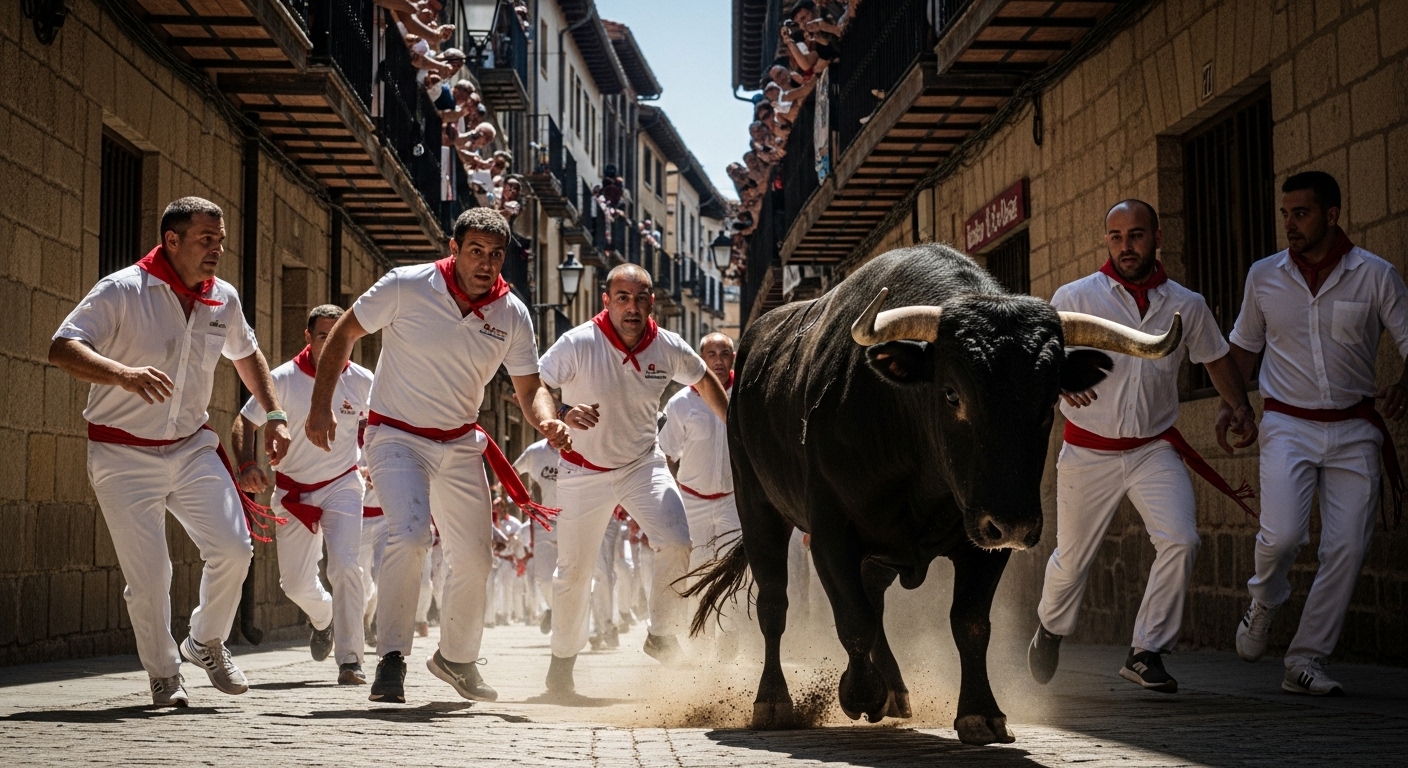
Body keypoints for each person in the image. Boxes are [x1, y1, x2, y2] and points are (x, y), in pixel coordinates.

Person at [306, 207, 568, 704]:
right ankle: (391, 658)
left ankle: (456, 659)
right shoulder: (405, 285)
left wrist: (548, 421)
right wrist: (320, 408)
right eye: (475, 251)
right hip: (396, 436)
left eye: (495, 255)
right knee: (410, 536)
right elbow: (343, 333)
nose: (485, 263)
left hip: (460, 442)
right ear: (454, 248)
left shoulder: (512, 314)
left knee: (475, 557)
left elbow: (530, 387)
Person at [49, 197, 291, 707]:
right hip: (121, 453)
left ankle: (205, 641)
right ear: (172, 240)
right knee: (151, 576)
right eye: (206, 239)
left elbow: (247, 355)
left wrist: (274, 415)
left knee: (234, 548)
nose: (216, 249)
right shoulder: (122, 290)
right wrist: (122, 374)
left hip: (190, 447)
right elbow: (63, 346)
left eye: (220, 240)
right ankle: (164, 674)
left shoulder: (223, 297)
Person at [1028, 199, 1258, 694]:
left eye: (1135, 235)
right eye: (1115, 237)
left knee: (1182, 539)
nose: (1125, 246)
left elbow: (1216, 359)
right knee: (1072, 559)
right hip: (1087, 451)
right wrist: (1061, 382)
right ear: (1106, 241)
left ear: (1157, 237)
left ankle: (1146, 651)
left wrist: (1239, 406)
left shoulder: (1187, 304)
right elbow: (1042, 358)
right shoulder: (1074, 297)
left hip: (1153, 448)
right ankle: (1050, 627)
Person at [1221, 171, 1408, 696]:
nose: (1290, 224)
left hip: (1356, 429)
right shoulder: (1264, 276)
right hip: (1288, 424)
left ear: (1331, 215)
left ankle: (1306, 660)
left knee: (1347, 547)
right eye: (1285, 214)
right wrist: (1232, 405)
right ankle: (1264, 600)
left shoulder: (1375, 275)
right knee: (1282, 536)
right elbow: (1243, 348)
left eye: (1300, 213)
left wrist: (1403, 386)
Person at [534, 263, 730, 694]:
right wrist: (560, 415)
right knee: (573, 574)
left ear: (651, 303)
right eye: (623, 298)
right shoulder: (579, 342)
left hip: (643, 465)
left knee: (676, 541)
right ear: (607, 301)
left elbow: (704, 379)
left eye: (641, 299)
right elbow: (535, 385)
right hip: (583, 470)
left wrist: (733, 425)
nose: (632, 307)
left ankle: (661, 634)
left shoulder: (667, 346)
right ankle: (562, 665)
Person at [233, 304, 375, 685]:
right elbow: (245, 421)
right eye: (324, 336)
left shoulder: (363, 381)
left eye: (339, 336)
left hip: (343, 485)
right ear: (308, 337)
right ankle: (324, 616)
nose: (331, 343)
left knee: (346, 566)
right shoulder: (282, 379)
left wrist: (377, 461)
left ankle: (351, 660)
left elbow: (381, 425)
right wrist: (246, 464)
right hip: (293, 491)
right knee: (294, 583)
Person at [659, 333, 740, 653]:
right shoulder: (681, 403)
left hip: (734, 500)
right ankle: (700, 640)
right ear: (700, 359)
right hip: (692, 503)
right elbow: (666, 454)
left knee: (734, 568)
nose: (718, 360)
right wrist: (668, 500)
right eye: (711, 354)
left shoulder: (745, 397)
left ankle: (729, 636)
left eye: (724, 353)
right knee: (698, 572)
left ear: (733, 358)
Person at [514, 438, 561, 634]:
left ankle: (581, 624)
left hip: (572, 519)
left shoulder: (580, 447)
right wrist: (521, 498)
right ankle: (554, 609)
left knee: (575, 574)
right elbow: (513, 472)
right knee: (544, 578)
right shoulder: (535, 451)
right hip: (543, 521)